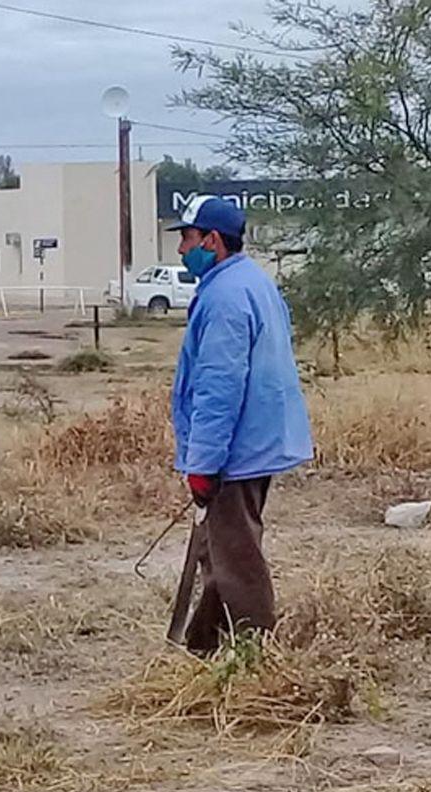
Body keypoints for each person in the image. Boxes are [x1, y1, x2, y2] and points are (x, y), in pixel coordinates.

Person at [167, 194, 313, 655]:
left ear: (212, 240)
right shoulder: (252, 281)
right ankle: (201, 649)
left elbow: (219, 388)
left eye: (187, 238)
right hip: (258, 442)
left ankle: (257, 656)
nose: (181, 250)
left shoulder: (226, 297)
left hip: (236, 451)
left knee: (236, 558)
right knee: (221, 550)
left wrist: (203, 463)